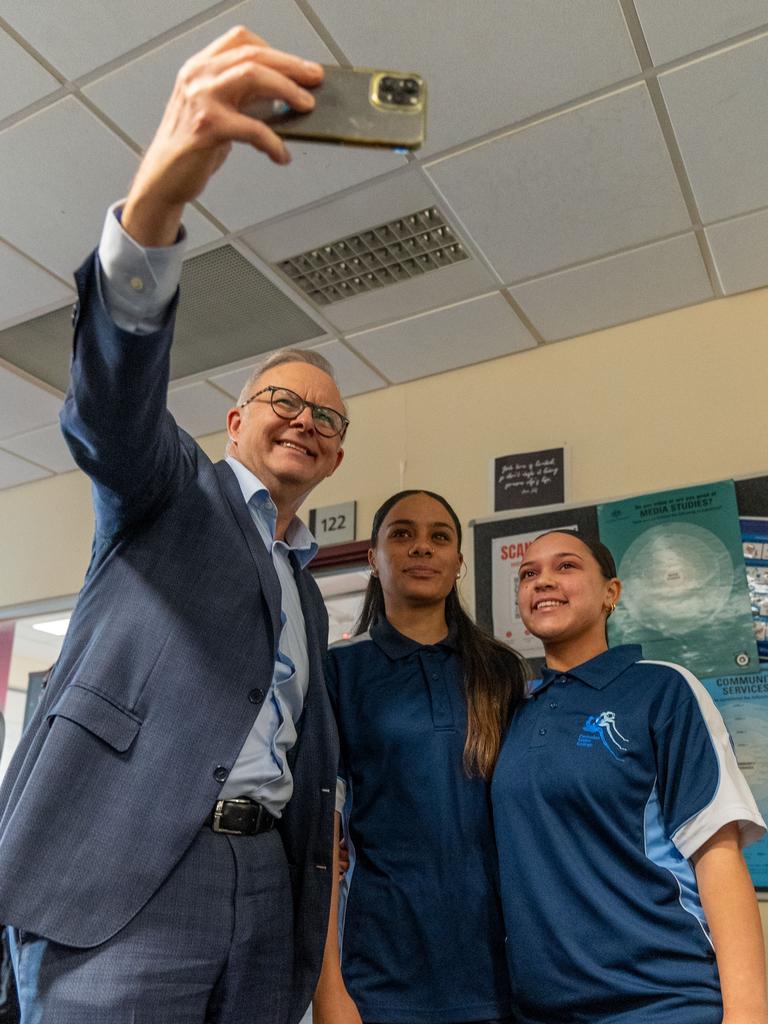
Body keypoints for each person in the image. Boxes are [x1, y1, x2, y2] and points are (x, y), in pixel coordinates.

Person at [0, 28, 346, 1024]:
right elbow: (110, 409)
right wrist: (154, 209)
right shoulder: (167, 490)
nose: (305, 419)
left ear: (332, 456)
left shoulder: (308, 591)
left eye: (328, 418)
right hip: (121, 879)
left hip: (264, 891)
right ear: (235, 420)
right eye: (284, 398)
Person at [492, 530, 768, 1024]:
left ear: (610, 594)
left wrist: (748, 1013)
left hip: (662, 1002)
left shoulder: (662, 688)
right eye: (528, 574)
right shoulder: (511, 712)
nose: (543, 581)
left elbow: (716, 854)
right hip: (539, 1010)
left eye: (567, 566)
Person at [313, 490, 528, 1024]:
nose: (421, 549)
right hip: (379, 973)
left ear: (458, 562)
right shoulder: (338, 671)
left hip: (506, 970)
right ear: (372, 557)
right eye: (402, 534)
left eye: (439, 537)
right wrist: (329, 991)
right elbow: (319, 840)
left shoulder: (502, 670)